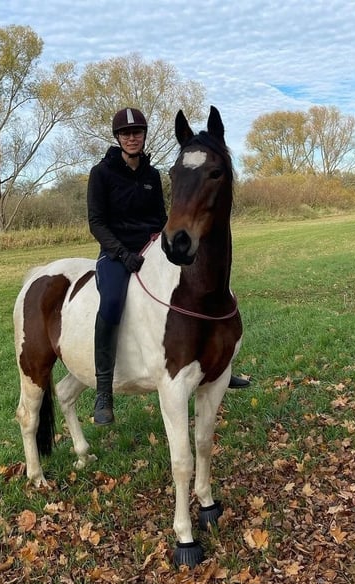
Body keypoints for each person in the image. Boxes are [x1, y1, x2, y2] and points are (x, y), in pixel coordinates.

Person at [87, 107, 249, 426]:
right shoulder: (101, 173)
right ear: (118, 138)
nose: (132, 138)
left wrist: (162, 242)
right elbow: (97, 222)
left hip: (152, 249)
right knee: (112, 302)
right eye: (125, 133)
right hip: (116, 254)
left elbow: (162, 217)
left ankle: (215, 366)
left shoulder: (152, 175)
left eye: (137, 132)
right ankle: (103, 389)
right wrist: (121, 253)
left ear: (144, 135)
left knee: (199, 289)